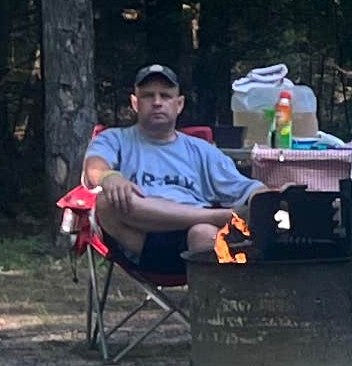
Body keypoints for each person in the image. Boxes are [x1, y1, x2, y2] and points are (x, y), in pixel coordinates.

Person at [83, 65, 254, 276]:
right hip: (141, 240)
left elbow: (246, 188)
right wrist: (108, 177)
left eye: (165, 96)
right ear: (135, 103)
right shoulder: (114, 139)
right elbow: (94, 165)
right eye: (148, 96)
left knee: (204, 232)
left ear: (179, 104)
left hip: (195, 241)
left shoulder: (202, 151)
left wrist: (273, 196)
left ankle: (209, 306)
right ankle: (219, 216)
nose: (157, 102)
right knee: (105, 201)